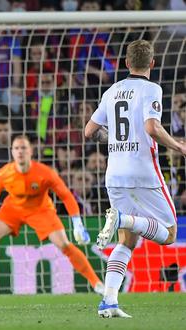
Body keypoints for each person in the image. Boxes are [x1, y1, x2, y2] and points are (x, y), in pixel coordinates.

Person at [84, 39, 184, 318]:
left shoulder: (112, 90)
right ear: (152, 64)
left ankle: (109, 301)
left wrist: (113, 138)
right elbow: (152, 127)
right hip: (143, 171)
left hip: (114, 173)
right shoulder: (152, 88)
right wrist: (178, 146)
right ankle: (123, 219)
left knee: (126, 241)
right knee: (169, 234)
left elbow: (89, 131)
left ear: (126, 63)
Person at [0, 135, 103, 299]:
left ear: (31, 151)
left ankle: (97, 284)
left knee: (64, 244)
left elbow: (66, 195)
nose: (20, 151)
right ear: (12, 152)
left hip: (41, 210)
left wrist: (78, 223)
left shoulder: (45, 173)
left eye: (24, 148)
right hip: (13, 207)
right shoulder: (4, 173)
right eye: (17, 148)